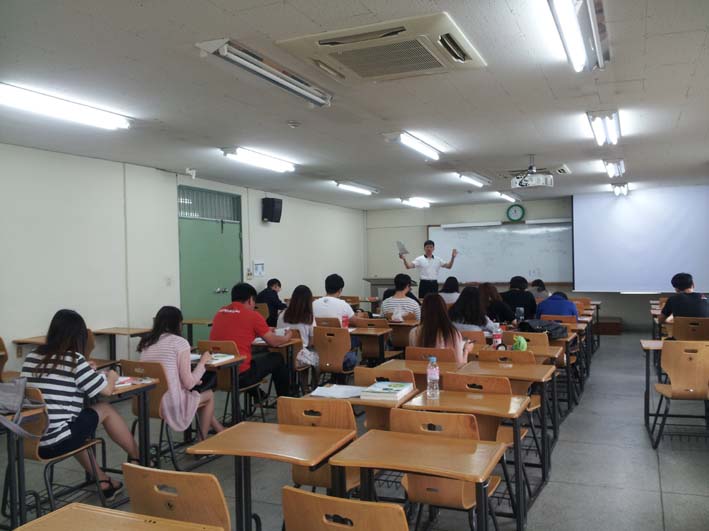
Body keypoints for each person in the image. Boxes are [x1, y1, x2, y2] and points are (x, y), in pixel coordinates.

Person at [21, 309, 139, 501]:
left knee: (73, 427)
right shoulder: (75, 360)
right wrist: (112, 376)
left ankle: (103, 481)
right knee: (105, 409)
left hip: (30, 440)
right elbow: (106, 391)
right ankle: (138, 459)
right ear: (78, 336)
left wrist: (86, 370)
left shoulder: (32, 357)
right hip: (57, 441)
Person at [138, 306, 224, 440]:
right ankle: (201, 441)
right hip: (171, 403)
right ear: (178, 323)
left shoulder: (147, 342)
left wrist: (194, 380)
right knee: (208, 395)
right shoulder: (180, 343)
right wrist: (203, 362)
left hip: (147, 402)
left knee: (196, 394)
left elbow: (166, 374)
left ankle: (219, 429)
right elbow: (189, 384)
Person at [210, 282, 293, 396]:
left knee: (251, 358)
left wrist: (262, 329)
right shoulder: (253, 315)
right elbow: (273, 342)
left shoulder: (219, 313)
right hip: (241, 376)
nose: (254, 306)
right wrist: (287, 337)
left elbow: (238, 330)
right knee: (277, 358)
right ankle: (284, 400)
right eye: (254, 302)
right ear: (250, 300)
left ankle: (259, 395)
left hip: (218, 374)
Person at [409, 294, 474, 364]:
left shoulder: (413, 332)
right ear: (444, 310)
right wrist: (466, 350)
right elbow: (460, 365)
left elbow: (413, 360)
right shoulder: (452, 333)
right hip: (446, 371)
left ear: (423, 311)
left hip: (420, 370)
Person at [277, 285, 316, 350]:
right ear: (309, 301)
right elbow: (312, 341)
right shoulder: (308, 317)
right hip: (302, 352)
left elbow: (278, 333)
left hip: (283, 351)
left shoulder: (282, 314)